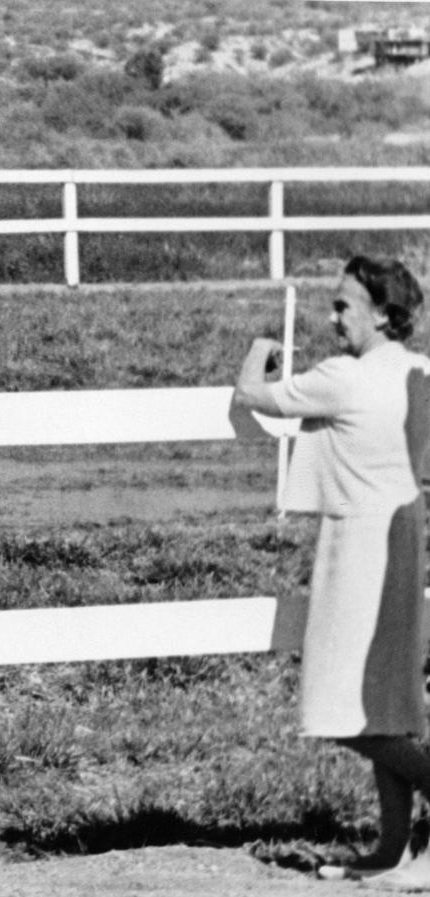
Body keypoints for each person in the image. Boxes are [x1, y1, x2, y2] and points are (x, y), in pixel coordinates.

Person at [232, 256, 430, 888]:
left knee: (341, 708)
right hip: (404, 543)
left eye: (344, 306)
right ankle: (393, 850)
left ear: (382, 313)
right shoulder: (419, 371)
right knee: (386, 709)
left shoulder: (344, 377)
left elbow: (252, 396)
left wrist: (261, 349)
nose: (332, 317)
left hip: (358, 548)